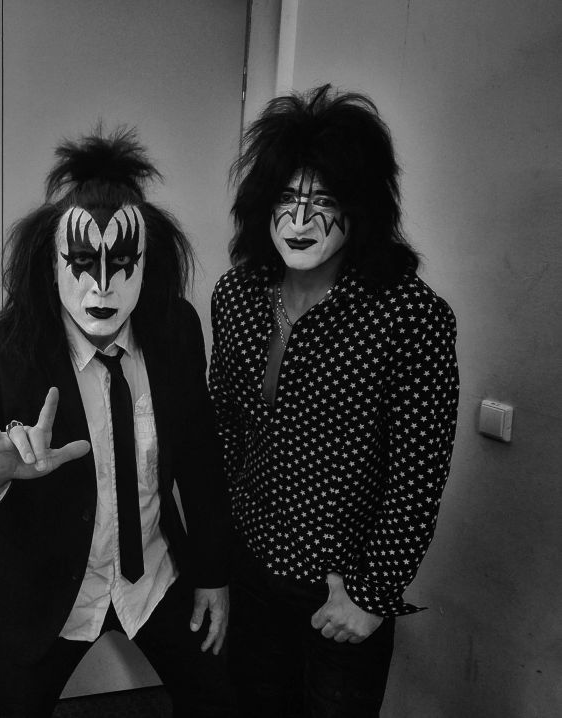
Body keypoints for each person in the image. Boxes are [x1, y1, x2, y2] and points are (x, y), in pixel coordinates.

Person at [0, 129, 232, 717]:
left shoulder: (174, 331)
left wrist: (212, 573)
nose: (102, 285)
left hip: (153, 579)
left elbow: (200, 458)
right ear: (51, 261)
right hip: (44, 595)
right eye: (82, 263)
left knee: (218, 699)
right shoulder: (3, 355)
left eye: (122, 264)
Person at [209, 84, 460, 717]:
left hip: (340, 589)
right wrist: (217, 553)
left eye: (324, 202)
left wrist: (373, 597)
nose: (300, 221)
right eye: (286, 199)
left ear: (361, 208)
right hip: (250, 567)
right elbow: (224, 426)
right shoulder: (237, 294)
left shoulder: (410, 316)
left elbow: (417, 472)